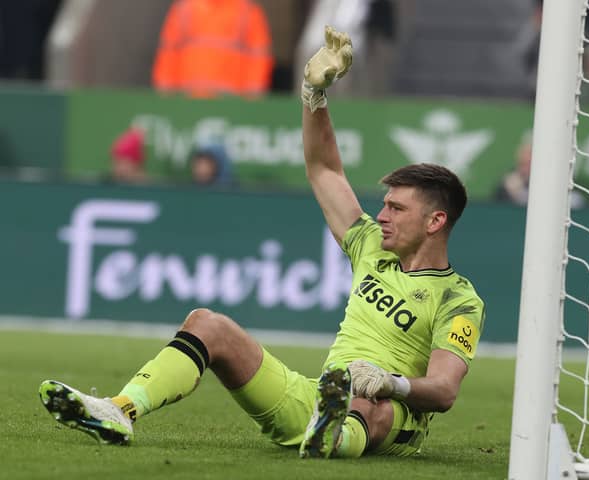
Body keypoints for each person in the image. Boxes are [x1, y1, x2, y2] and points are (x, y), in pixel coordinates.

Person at [38, 26, 485, 459]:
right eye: (383, 205)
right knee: (207, 324)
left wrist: (390, 382)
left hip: (389, 415)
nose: (382, 216)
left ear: (436, 221)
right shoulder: (370, 247)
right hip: (320, 397)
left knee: (371, 406)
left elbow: (444, 391)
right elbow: (324, 170)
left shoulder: (458, 300)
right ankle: (119, 410)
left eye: (397, 209)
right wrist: (314, 94)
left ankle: (335, 434)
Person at [152, 0, 274, 98]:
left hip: (232, 103)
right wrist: (165, 95)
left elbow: (259, 58)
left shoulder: (248, 10)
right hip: (187, 99)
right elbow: (168, 53)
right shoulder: (184, 8)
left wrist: (252, 98)